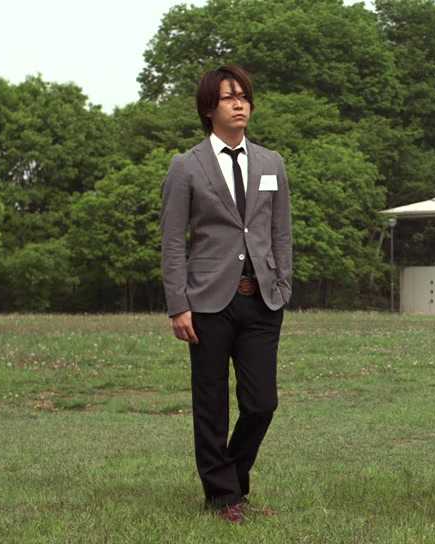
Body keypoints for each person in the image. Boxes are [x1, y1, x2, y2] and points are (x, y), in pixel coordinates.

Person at [159, 65, 293, 523]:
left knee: (262, 403)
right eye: (228, 97)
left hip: (263, 300)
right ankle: (224, 496)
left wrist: (283, 285)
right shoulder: (186, 166)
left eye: (244, 96)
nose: (240, 104)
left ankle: (230, 479)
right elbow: (172, 241)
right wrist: (178, 304)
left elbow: (281, 231)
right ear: (208, 109)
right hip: (207, 303)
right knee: (211, 404)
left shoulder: (272, 163)